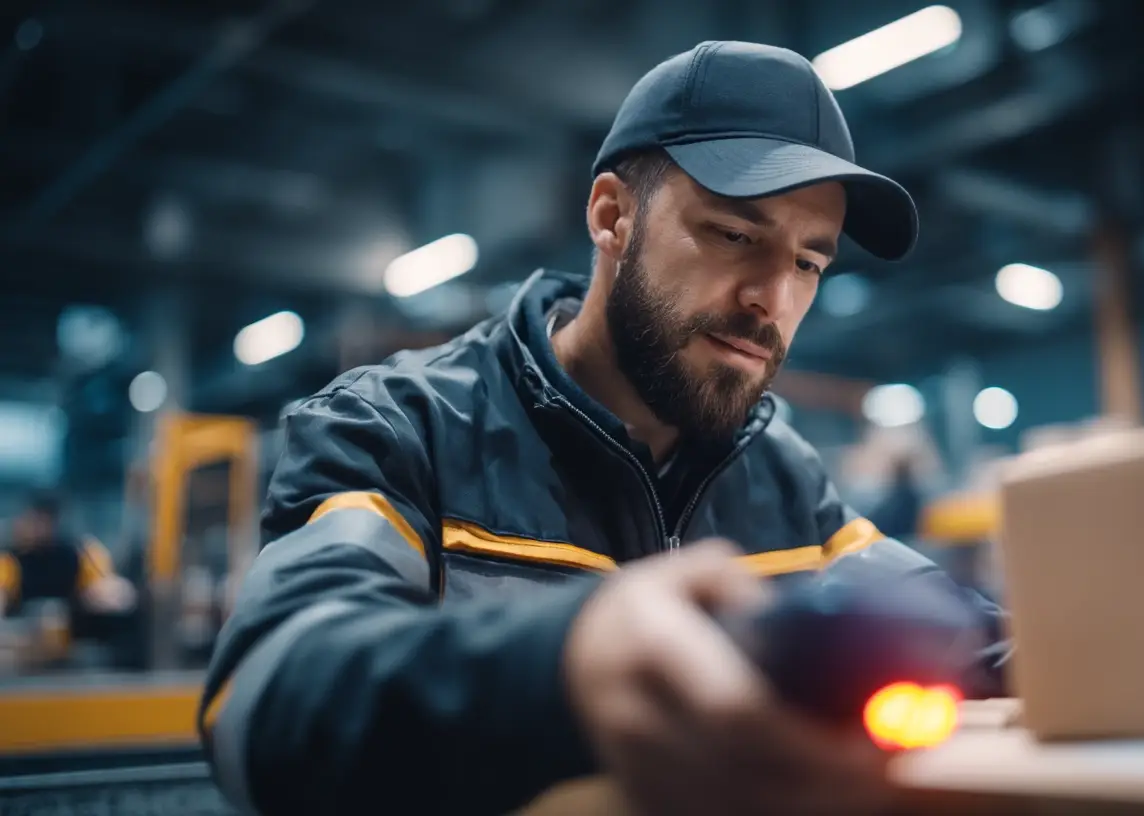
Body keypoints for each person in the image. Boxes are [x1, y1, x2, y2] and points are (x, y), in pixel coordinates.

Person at [199, 41, 994, 816]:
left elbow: (965, 636)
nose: (773, 299)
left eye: (809, 263)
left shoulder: (784, 471)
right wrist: (561, 667)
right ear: (612, 215)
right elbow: (262, 699)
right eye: (734, 234)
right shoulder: (398, 427)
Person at [0, 492, 136, 617]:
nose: (37, 529)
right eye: (32, 521)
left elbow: (112, 590)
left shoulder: (80, 554)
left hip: (73, 636)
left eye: (43, 521)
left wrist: (102, 594)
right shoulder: (10, 561)